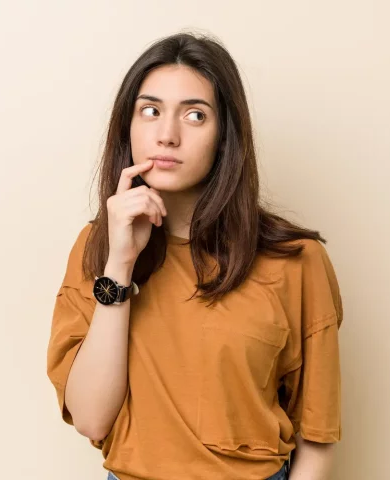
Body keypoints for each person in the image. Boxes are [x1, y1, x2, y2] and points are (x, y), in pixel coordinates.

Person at [46, 31, 344, 480]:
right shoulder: (99, 249)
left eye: (195, 115)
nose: (167, 135)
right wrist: (120, 265)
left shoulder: (296, 261)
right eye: (150, 111)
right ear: (127, 128)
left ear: (224, 135)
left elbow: (317, 440)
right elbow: (91, 418)